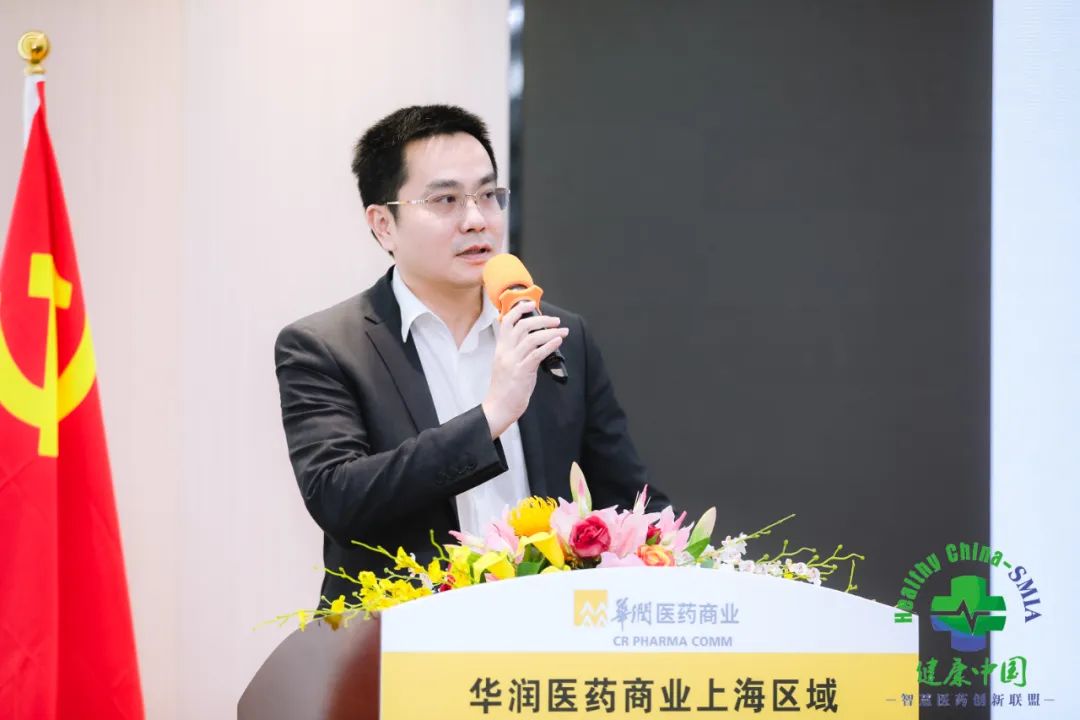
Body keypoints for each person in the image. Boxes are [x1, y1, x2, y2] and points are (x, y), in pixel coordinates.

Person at [275, 105, 667, 606]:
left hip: (542, 632)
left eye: (488, 195)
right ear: (383, 224)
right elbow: (339, 498)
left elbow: (628, 502)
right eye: (446, 200)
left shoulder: (555, 334)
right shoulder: (326, 346)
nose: (477, 220)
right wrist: (490, 417)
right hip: (398, 636)